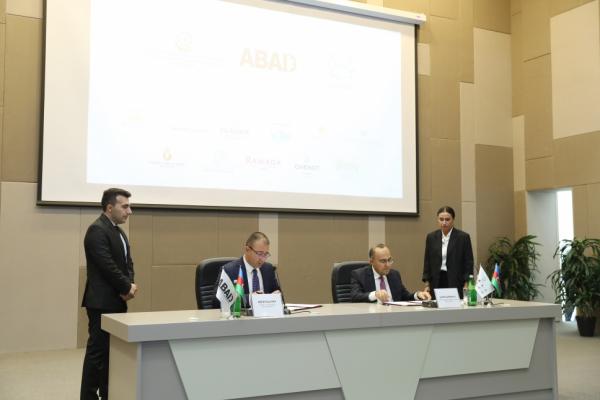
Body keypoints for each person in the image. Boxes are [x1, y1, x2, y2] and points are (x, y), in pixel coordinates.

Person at [80, 188, 137, 400]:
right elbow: (107, 266)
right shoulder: (96, 230)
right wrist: (126, 288)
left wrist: (128, 285)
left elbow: (127, 263)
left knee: (112, 355)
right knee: (97, 354)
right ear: (110, 207)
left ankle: (108, 395)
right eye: (125, 206)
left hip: (117, 301)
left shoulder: (118, 232)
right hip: (101, 303)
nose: (129, 211)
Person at [214, 231, 280, 308]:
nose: (263, 259)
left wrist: (277, 297)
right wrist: (250, 299)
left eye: (266, 254)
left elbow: (275, 293)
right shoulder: (229, 271)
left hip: (265, 314)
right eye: (259, 254)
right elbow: (217, 301)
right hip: (241, 315)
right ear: (247, 249)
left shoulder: (268, 269)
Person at [422, 206, 474, 299]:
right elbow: (427, 261)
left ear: (453, 220)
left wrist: (467, 283)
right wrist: (427, 284)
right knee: (436, 305)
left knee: (454, 305)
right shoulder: (431, 237)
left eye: (447, 219)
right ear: (437, 220)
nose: (444, 222)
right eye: (441, 219)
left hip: (456, 280)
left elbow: (468, 262)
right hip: (436, 280)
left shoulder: (463, 237)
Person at [351, 244, 431, 303]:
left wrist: (418, 295)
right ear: (371, 261)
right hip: (373, 316)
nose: (387, 265)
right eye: (383, 261)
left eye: (389, 260)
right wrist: (375, 294)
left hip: (394, 315)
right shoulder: (360, 275)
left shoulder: (394, 275)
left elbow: (405, 296)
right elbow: (355, 296)